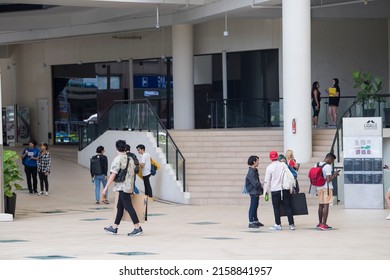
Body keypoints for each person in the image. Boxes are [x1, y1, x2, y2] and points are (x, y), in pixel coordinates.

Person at [102, 139, 143, 236]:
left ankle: (137, 227)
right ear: (125, 148)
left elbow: (113, 174)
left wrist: (106, 187)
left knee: (128, 207)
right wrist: (132, 187)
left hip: (122, 187)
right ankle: (114, 227)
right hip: (127, 186)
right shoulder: (130, 159)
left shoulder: (118, 159)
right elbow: (133, 174)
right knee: (119, 207)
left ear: (116, 148)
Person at [263, 151, 295, 231]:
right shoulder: (283, 165)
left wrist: (265, 191)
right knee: (288, 206)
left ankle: (278, 224)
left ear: (270, 158)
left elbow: (267, 181)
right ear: (277, 157)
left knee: (276, 208)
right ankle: (291, 224)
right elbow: (289, 175)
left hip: (275, 190)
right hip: (284, 189)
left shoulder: (269, 167)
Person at [315, 152, 339, 230]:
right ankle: (324, 224)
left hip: (319, 187)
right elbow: (328, 180)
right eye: (332, 161)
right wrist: (334, 175)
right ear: (329, 158)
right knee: (326, 205)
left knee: (320, 205)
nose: (332, 162)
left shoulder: (317, 164)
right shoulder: (328, 166)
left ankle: (319, 223)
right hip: (326, 188)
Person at [245, 155, 264, 228]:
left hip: (256, 191)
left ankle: (255, 220)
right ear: (254, 162)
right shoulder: (251, 172)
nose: (258, 162)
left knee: (255, 206)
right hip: (253, 191)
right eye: (257, 161)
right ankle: (251, 222)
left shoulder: (254, 170)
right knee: (253, 206)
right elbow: (255, 183)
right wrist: (261, 185)